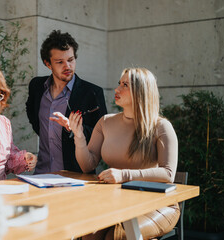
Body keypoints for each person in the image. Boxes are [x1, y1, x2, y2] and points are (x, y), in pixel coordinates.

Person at [68, 68, 180, 240]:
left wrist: (124, 175)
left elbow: (168, 174)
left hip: (157, 205)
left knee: (118, 236)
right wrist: (79, 136)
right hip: (117, 203)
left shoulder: (161, 127)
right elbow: (87, 165)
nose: (117, 89)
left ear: (141, 92)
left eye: (125, 85)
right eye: (119, 83)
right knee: (88, 234)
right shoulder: (105, 122)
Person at [26, 30, 107, 174]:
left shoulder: (92, 93)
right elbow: (33, 114)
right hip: (41, 174)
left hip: (75, 176)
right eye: (60, 62)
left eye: (70, 60)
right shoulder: (36, 86)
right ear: (48, 64)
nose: (67, 66)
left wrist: (73, 129)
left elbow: (101, 135)